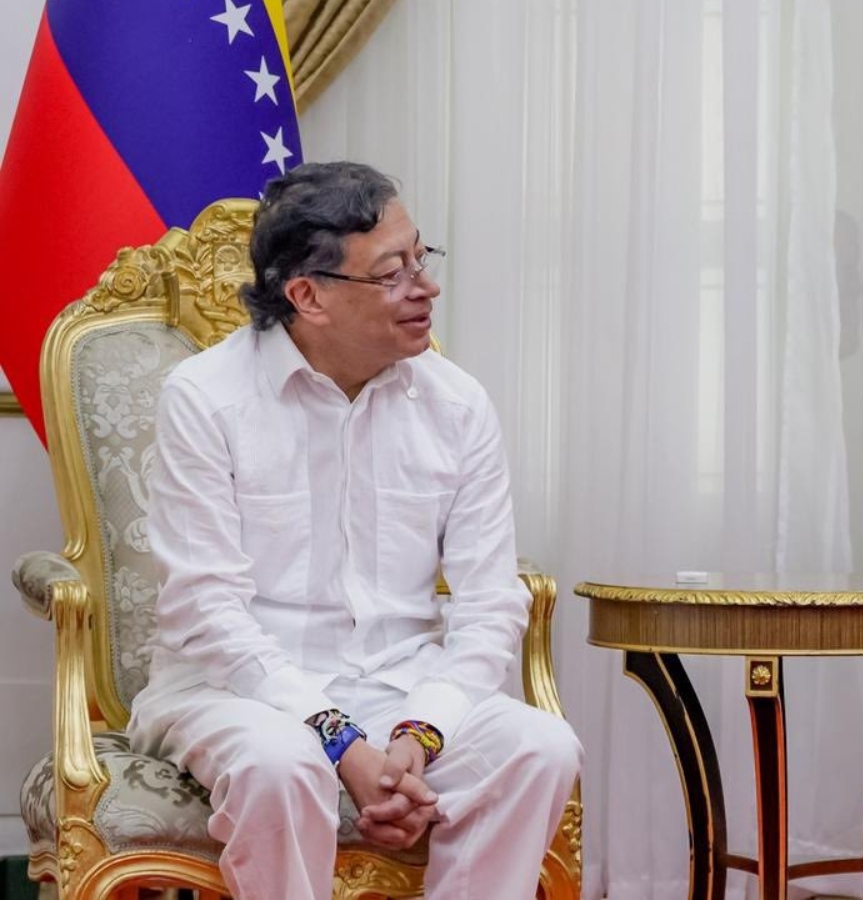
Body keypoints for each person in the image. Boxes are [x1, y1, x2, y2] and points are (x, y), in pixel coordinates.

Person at [128, 161, 582, 899]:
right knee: (283, 762)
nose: (425, 288)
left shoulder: (457, 404)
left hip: (400, 683)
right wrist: (339, 739)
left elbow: (489, 604)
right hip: (233, 690)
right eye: (392, 273)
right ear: (308, 295)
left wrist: (420, 731)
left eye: (422, 259)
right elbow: (205, 612)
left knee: (541, 746)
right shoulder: (207, 399)